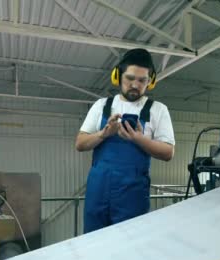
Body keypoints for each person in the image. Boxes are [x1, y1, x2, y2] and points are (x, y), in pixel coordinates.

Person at [75, 48, 175, 234]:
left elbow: (168, 152)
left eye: (142, 80)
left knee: (130, 245)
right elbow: (80, 143)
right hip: (98, 191)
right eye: (130, 78)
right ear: (118, 76)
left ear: (150, 81)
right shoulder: (102, 106)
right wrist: (103, 134)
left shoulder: (158, 110)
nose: (135, 85)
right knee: (92, 243)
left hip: (133, 194)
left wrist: (139, 139)